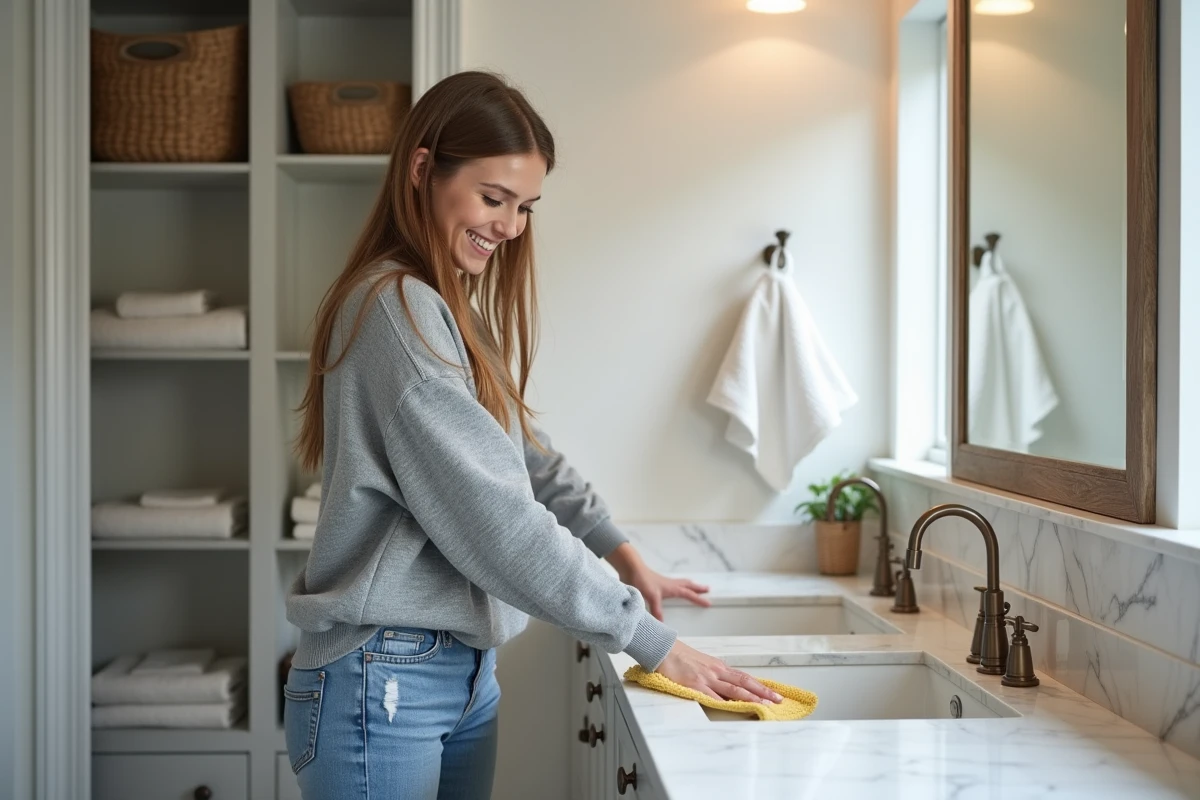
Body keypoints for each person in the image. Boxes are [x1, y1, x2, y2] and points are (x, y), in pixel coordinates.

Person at [283, 70, 781, 800]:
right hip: (382, 680)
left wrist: (622, 551)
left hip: (456, 674)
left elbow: (524, 459)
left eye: (525, 207)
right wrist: (650, 641)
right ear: (422, 170)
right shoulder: (397, 312)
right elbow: (498, 519)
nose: (511, 227)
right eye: (494, 198)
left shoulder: (445, 305)